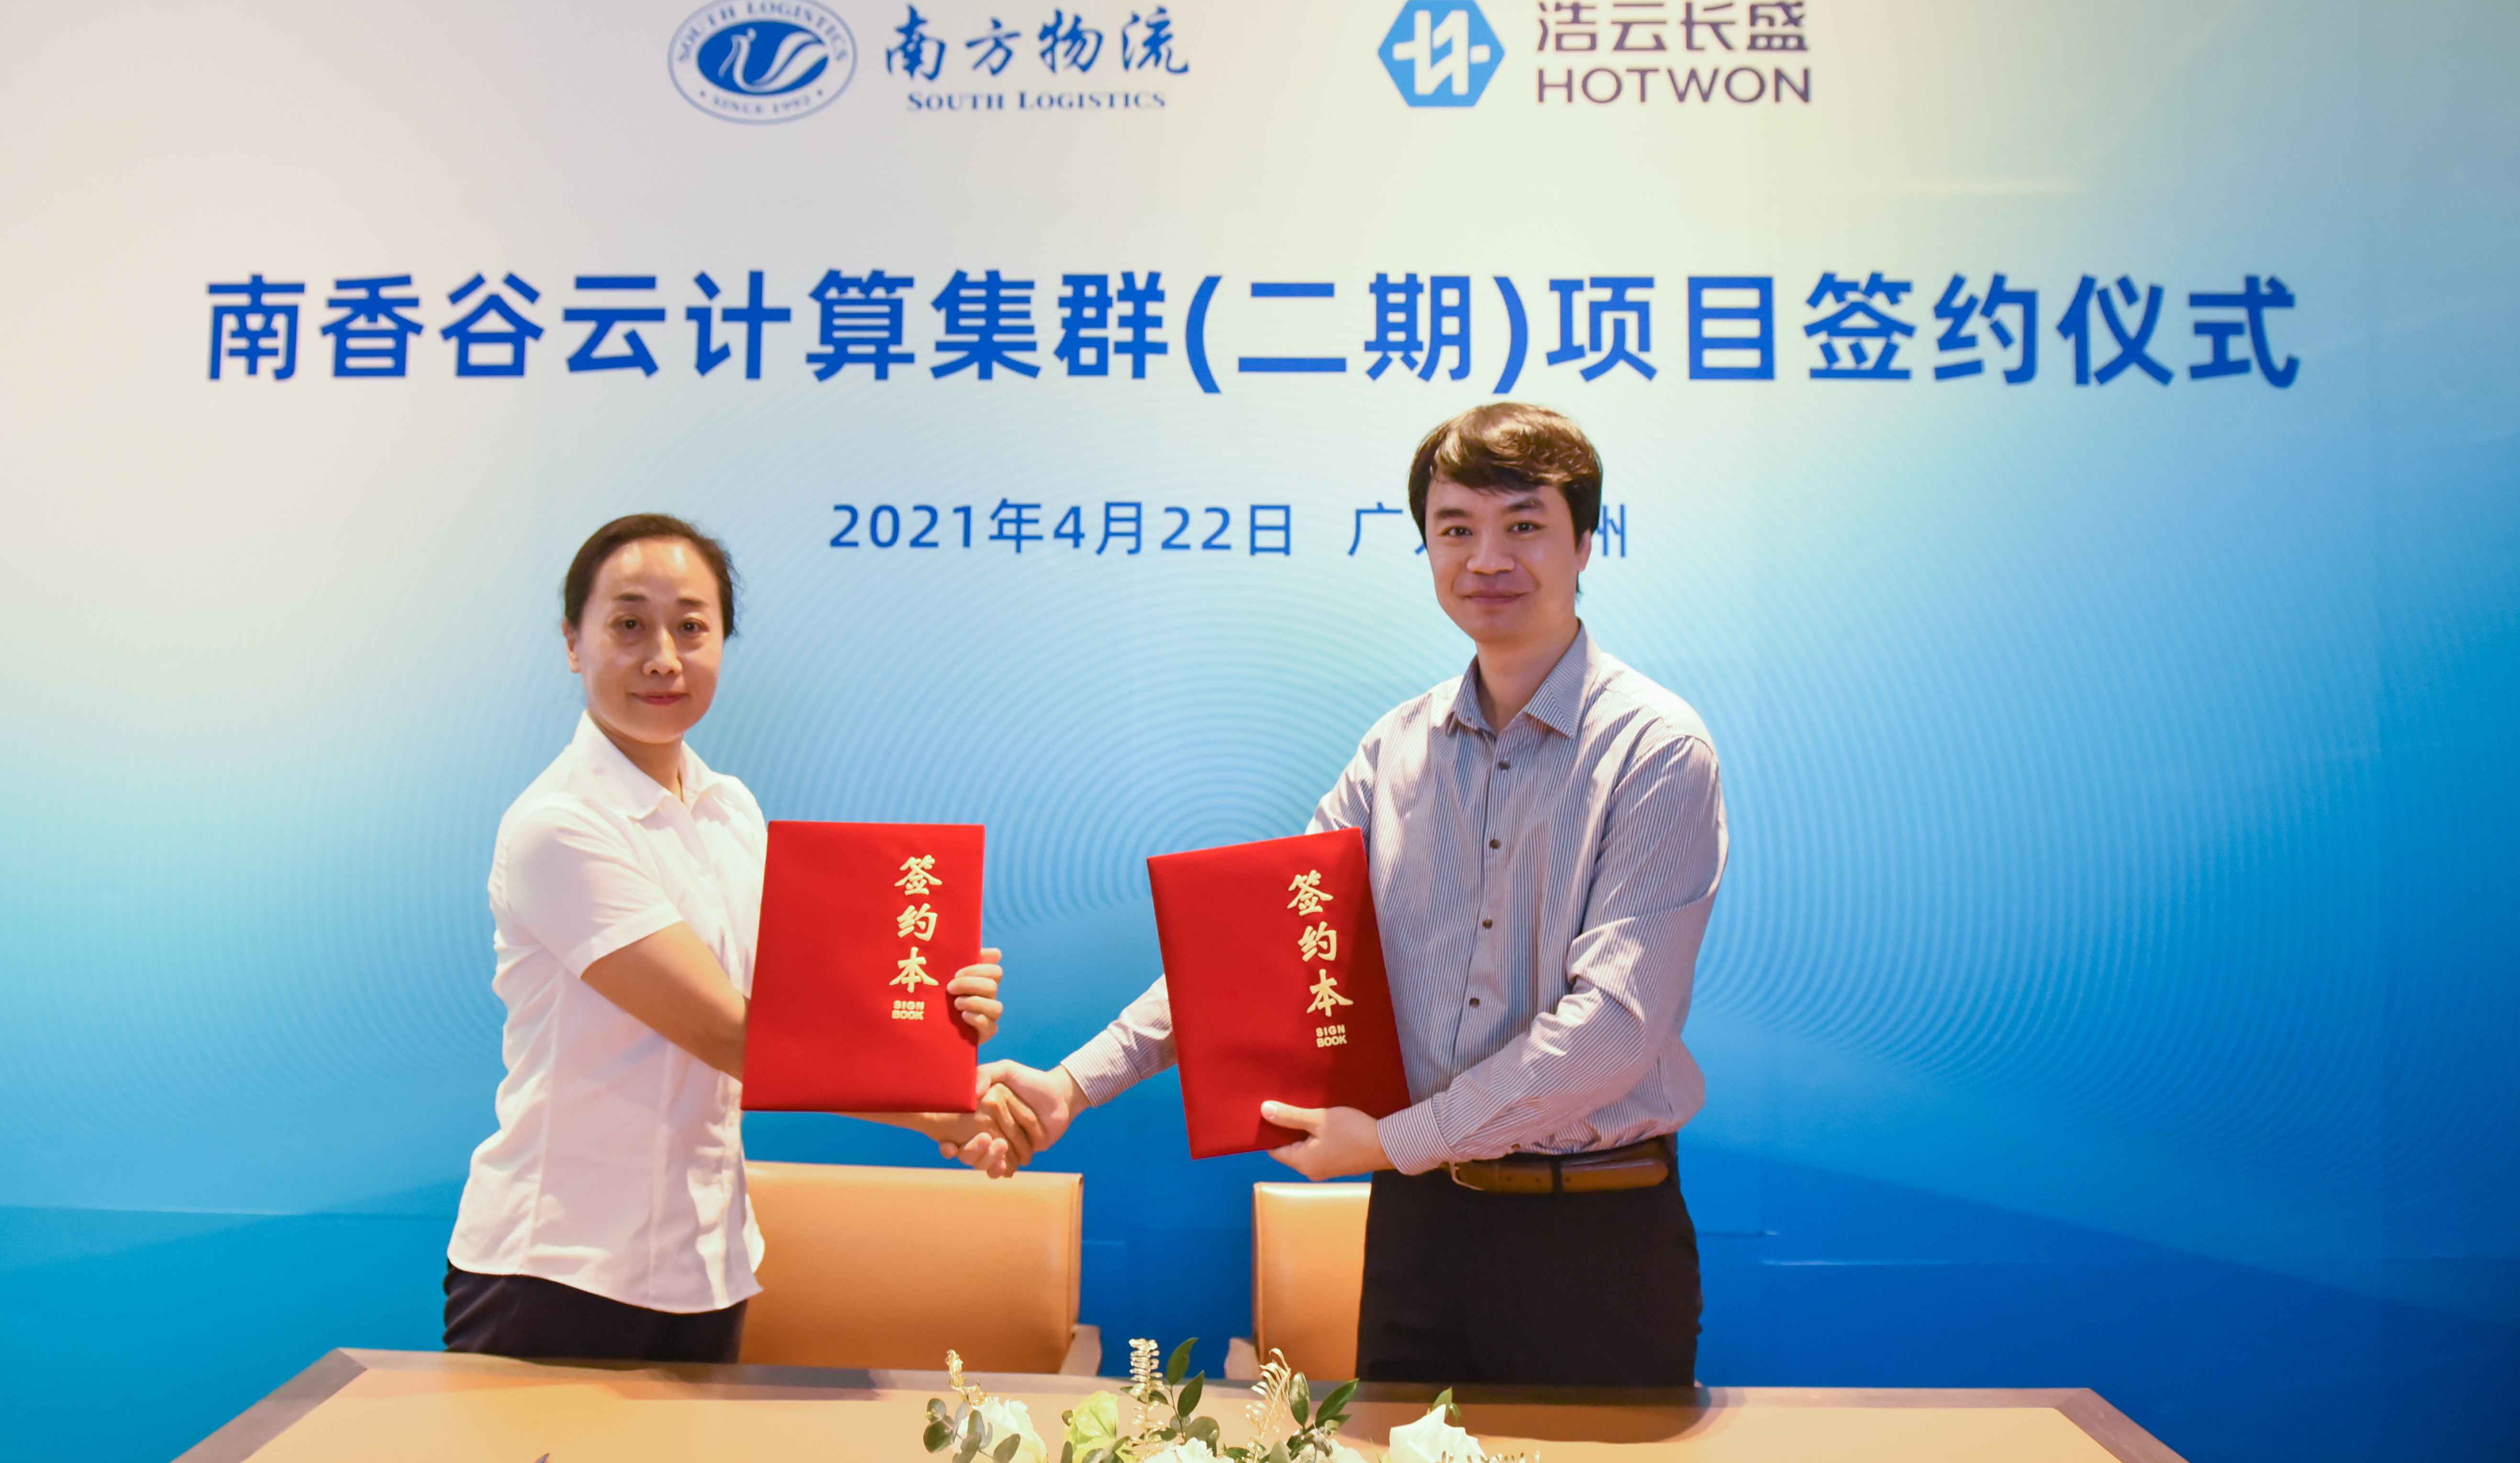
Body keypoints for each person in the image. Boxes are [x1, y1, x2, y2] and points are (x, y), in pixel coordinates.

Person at [983, 405, 1725, 1387]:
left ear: (1585, 541)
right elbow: (1269, 952)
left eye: (1525, 525)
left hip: (1593, 1238)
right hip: (1421, 1230)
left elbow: (1615, 1029)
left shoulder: (1656, 750)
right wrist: (1075, 1085)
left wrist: (1393, 1139)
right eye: (1455, 529)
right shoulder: (1397, 749)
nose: (1487, 558)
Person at [445, 513, 1035, 1364]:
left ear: (722, 641)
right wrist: (939, 1110)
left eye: (691, 627)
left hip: (705, 1265)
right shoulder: (561, 827)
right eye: (628, 625)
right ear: (573, 642)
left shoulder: (731, 810)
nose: (663, 657)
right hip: (558, 1272)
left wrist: (934, 1012)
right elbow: (733, 1034)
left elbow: (807, 1007)